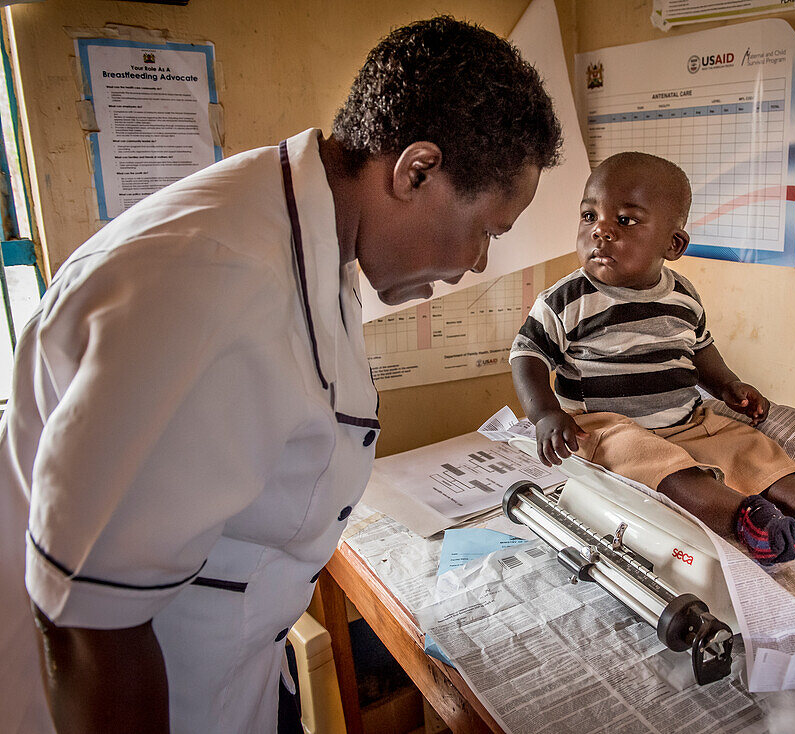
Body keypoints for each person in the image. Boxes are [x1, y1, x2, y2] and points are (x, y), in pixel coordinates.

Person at [0, 16, 561, 734]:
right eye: (487, 229)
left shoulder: (303, 225)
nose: (479, 261)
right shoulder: (216, 282)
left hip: (230, 675)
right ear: (415, 170)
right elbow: (89, 625)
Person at [510, 152, 795, 565]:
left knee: (746, 444)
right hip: (605, 428)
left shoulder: (682, 295)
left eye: (625, 220)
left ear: (673, 244)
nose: (600, 232)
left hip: (685, 419)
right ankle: (745, 520)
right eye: (589, 216)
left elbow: (700, 350)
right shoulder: (568, 298)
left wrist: (726, 385)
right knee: (665, 467)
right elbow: (527, 354)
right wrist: (544, 414)